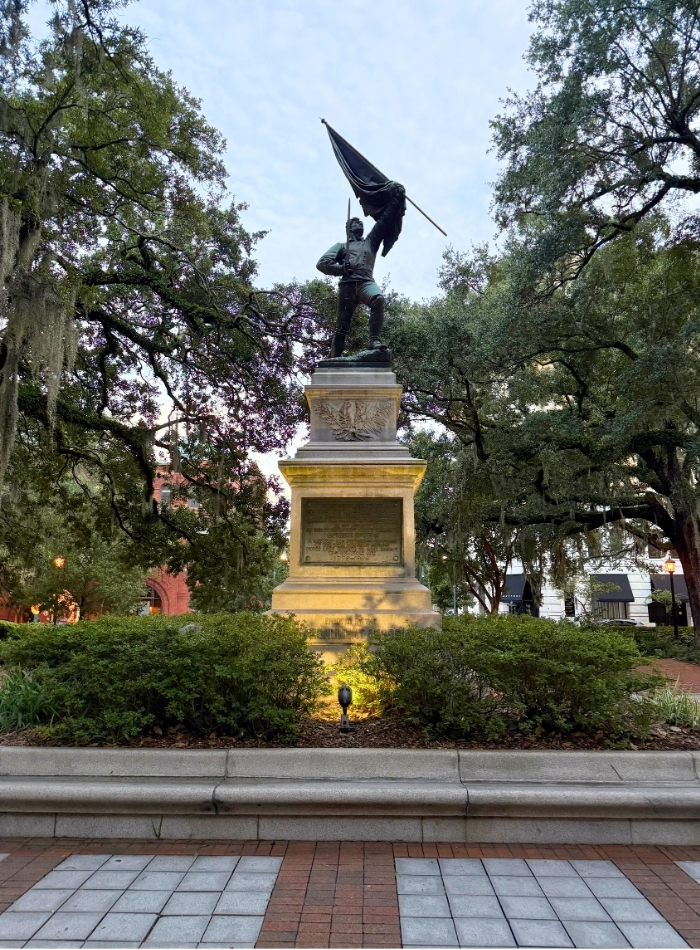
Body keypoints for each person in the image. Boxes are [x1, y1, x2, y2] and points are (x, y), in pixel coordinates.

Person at [316, 182, 405, 358]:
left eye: (360, 222)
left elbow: (385, 220)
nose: (359, 222)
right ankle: (334, 359)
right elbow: (322, 263)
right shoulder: (342, 246)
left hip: (365, 283)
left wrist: (397, 198)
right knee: (342, 326)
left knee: (378, 299)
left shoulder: (371, 241)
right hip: (347, 286)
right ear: (348, 229)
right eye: (355, 222)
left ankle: (374, 340)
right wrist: (341, 269)